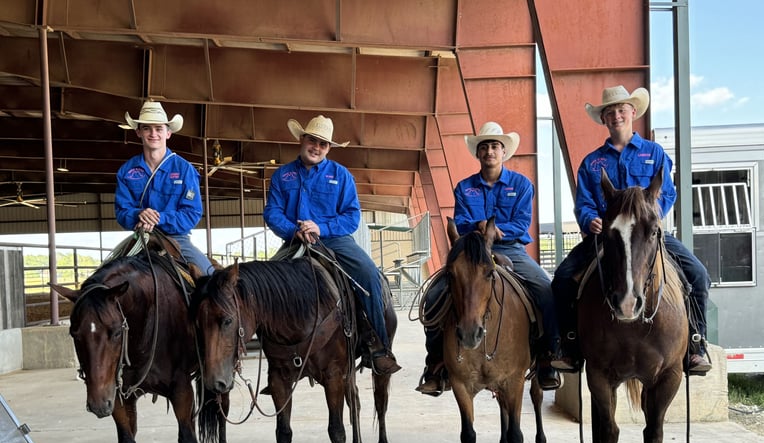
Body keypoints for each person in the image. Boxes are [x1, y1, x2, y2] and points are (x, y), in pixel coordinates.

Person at [551, 85, 712, 375]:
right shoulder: (592, 163)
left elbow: (668, 193)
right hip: (607, 236)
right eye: (610, 112)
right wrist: (590, 220)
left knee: (698, 275)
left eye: (621, 110)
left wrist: (651, 220)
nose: (616, 116)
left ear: (633, 113)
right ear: (603, 119)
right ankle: (570, 344)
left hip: (647, 236)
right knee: (562, 279)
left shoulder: (654, 153)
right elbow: (585, 201)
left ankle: (696, 345)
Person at [416, 121, 562, 396]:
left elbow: (523, 223)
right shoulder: (464, 187)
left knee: (544, 288)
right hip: (473, 252)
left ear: (504, 152)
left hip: (509, 249)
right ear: (478, 154)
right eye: (484, 147)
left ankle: (547, 356)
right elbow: (459, 221)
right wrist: (479, 226)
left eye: (495, 146)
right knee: (435, 295)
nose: (490, 151)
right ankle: (435, 364)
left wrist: (500, 230)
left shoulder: (522, 185)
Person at [263, 115, 401, 376]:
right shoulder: (283, 175)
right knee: (265, 286)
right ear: (302, 140)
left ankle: (379, 346)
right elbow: (272, 212)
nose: (317, 147)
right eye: (312, 141)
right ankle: (276, 357)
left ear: (329, 148)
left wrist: (321, 228)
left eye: (323, 144)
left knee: (369, 275)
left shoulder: (341, 175)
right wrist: (294, 230)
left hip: (336, 241)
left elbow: (351, 216)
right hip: (294, 241)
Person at [115, 100, 214, 275]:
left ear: (168, 133)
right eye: (147, 128)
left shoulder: (185, 170)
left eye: (159, 129)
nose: (153, 134)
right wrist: (138, 213)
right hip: (140, 238)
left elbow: (192, 213)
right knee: (105, 278)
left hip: (177, 240)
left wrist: (158, 218)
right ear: (138, 132)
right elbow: (122, 211)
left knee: (210, 278)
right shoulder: (126, 171)